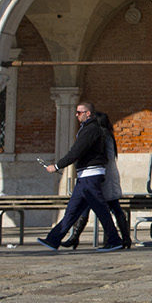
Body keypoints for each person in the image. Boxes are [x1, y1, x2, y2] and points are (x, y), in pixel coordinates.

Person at [37, 101, 124, 251]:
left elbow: (76, 151)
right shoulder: (88, 129)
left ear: (87, 113)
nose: (76, 115)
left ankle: (114, 240)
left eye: (79, 112)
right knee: (73, 210)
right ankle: (53, 239)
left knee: (101, 209)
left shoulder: (91, 130)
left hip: (91, 176)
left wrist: (57, 166)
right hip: (85, 176)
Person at [63, 112, 131, 249]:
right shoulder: (107, 135)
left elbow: (101, 157)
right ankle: (76, 237)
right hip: (105, 176)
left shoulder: (102, 135)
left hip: (102, 176)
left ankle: (118, 239)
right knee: (99, 206)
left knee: (107, 207)